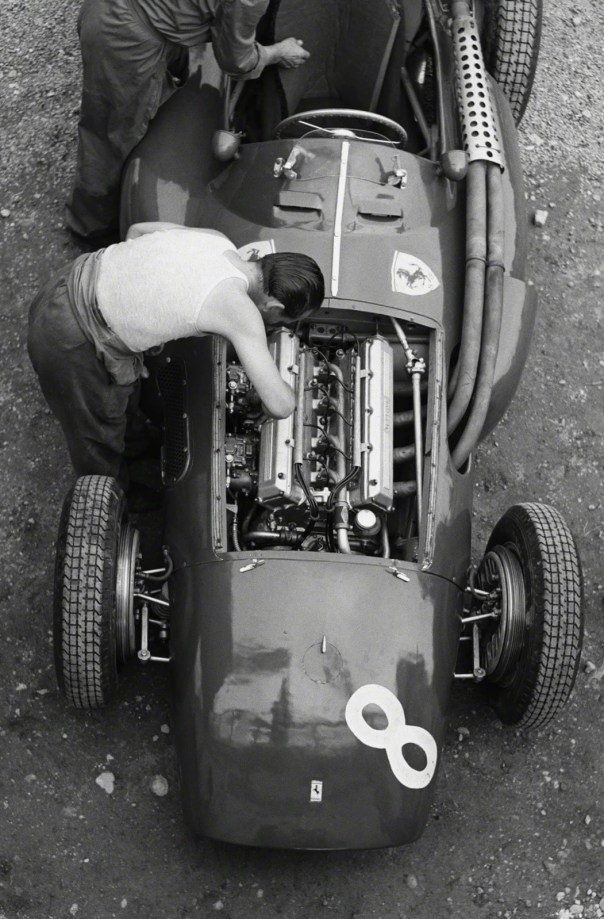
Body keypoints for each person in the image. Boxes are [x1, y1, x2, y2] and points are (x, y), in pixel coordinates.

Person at [28, 223, 324, 505]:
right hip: (71, 338)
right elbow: (280, 405)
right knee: (96, 435)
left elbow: (136, 231)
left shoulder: (217, 239)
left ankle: (134, 443)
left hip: (69, 279)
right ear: (275, 307)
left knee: (120, 398)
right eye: (287, 321)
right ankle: (116, 501)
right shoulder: (238, 309)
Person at [66, 0, 310, 241]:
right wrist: (276, 52)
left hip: (124, 14)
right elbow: (237, 61)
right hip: (125, 33)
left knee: (138, 103)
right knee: (110, 133)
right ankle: (90, 227)